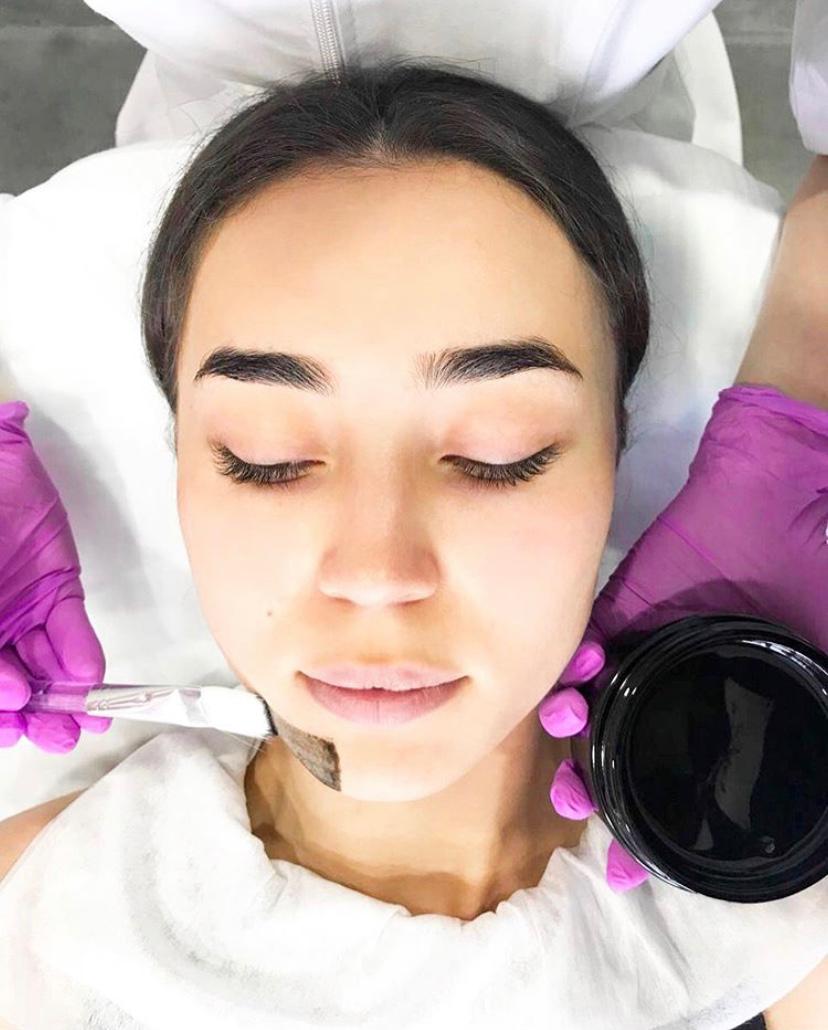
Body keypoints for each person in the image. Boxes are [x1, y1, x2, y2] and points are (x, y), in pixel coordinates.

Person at [0, 54, 825, 1029]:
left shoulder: (772, 899)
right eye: (266, 458)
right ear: (180, 463)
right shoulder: (44, 909)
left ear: (617, 453)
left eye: (496, 453)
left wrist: (807, 396)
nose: (377, 574)